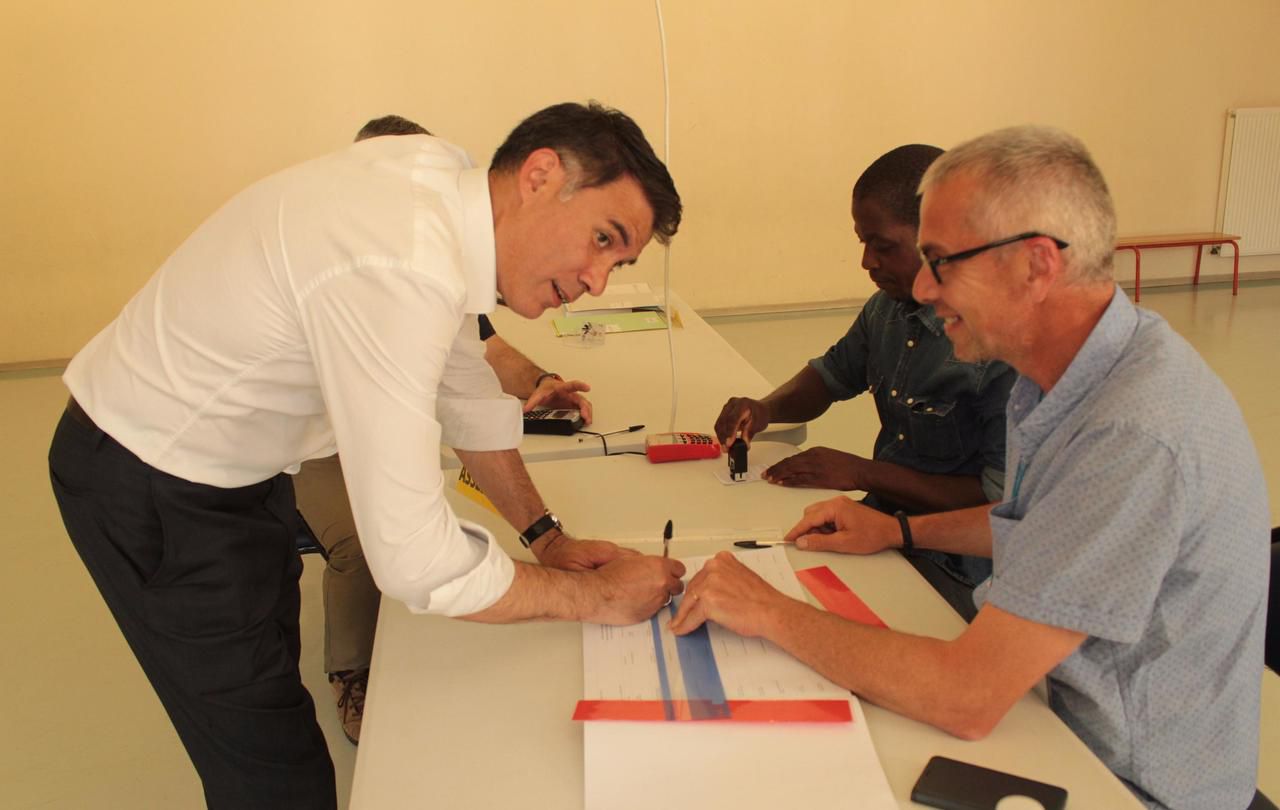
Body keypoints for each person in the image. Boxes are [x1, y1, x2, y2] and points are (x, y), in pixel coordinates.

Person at [48, 101, 685, 809]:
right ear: (540, 175)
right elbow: (415, 559)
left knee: (268, 693)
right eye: (603, 238)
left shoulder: (439, 183)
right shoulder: (400, 259)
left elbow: (463, 381)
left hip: (237, 464)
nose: (599, 282)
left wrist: (549, 540)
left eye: (618, 261)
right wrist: (592, 597)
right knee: (276, 774)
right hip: (153, 474)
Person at [673, 126, 1269, 810]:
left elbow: (968, 697)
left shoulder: (1133, 434)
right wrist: (896, 533)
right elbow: (1047, 527)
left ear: (1037, 266)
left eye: (941, 262)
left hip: (1128, 785)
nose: (923, 288)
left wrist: (769, 612)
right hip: (1054, 718)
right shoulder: (1065, 376)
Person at [296, 116, 598, 745]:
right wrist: (579, 595)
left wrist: (543, 382)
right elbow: (416, 556)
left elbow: (474, 365)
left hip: (371, 430)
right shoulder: (363, 259)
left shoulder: (437, 261)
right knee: (360, 541)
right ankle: (351, 671)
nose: (594, 280)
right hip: (308, 449)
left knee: (439, 514)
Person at [713, 145, 1015, 616]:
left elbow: (997, 505)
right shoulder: (888, 308)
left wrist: (862, 472)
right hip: (881, 527)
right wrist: (767, 408)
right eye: (862, 242)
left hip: (956, 571)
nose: (866, 262)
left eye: (883, 246)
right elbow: (830, 375)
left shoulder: (1002, 347)